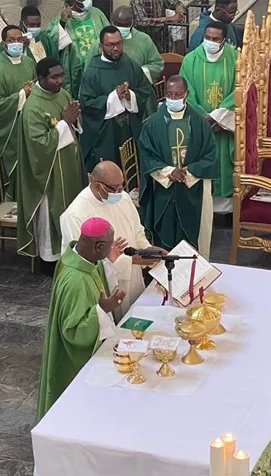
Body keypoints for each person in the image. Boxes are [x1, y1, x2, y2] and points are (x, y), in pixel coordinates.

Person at [37, 217, 125, 419]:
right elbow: (72, 331)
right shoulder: (76, 280)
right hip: (72, 360)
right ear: (99, 246)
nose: (111, 248)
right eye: (109, 245)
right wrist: (102, 310)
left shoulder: (80, 260)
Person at [60, 161, 166, 322]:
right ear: (96, 186)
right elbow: (80, 264)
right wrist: (129, 260)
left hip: (133, 279)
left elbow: (137, 230)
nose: (120, 192)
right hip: (103, 289)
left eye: (121, 186)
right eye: (114, 188)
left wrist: (147, 250)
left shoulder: (122, 198)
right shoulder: (75, 215)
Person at [17, 57, 86, 269]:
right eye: (54, 77)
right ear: (41, 78)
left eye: (61, 75)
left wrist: (74, 120)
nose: (60, 81)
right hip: (49, 173)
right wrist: (65, 123)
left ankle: (73, 249)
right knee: (51, 214)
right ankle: (51, 260)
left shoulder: (62, 94)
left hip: (68, 164)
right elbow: (39, 144)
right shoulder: (33, 107)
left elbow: (72, 125)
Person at [138, 76, 218, 258]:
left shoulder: (199, 123)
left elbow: (211, 155)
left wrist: (187, 173)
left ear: (186, 94)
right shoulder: (152, 124)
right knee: (165, 233)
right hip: (164, 191)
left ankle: (191, 273)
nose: (173, 99)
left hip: (192, 190)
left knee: (191, 238)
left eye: (178, 94)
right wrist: (168, 172)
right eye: (169, 95)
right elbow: (146, 154)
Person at [79, 26, 157, 173]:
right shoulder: (92, 72)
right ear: (101, 46)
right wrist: (113, 97)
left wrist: (131, 96)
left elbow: (145, 90)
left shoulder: (131, 65)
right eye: (110, 45)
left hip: (130, 130)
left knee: (132, 172)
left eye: (119, 43)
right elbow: (86, 103)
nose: (115, 48)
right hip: (106, 135)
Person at [179, 21, 236, 215]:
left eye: (215, 39)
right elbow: (187, 92)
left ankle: (226, 211)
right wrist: (204, 118)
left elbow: (239, 90)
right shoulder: (190, 60)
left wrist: (219, 118)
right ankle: (201, 206)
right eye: (207, 38)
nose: (210, 42)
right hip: (199, 125)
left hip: (225, 126)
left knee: (224, 165)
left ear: (224, 40)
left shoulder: (236, 58)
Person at [0, 24, 37, 199]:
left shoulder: (29, 62)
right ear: (4, 44)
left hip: (30, 122)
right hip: (10, 129)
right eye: (11, 40)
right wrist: (22, 94)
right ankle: (14, 203)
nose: (16, 43)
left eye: (19, 40)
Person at [0, 6, 72, 84]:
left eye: (38, 25)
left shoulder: (44, 39)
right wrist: (21, 48)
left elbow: (55, 60)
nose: (35, 28)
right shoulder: (12, 42)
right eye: (32, 25)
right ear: (22, 23)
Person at [46, 1, 109, 98]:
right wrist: (62, 23)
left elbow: (110, 36)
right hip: (76, 72)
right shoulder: (61, 18)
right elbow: (49, 43)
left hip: (99, 68)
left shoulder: (97, 14)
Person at [109, 6, 164, 83]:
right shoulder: (103, 40)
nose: (122, 28)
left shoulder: (144, 40)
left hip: (137, 88)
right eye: (118, 24)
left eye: (125, 25)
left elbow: (157, 65)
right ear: (112, 22)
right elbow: (91, 69)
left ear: (132, 23)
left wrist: (138, 72)